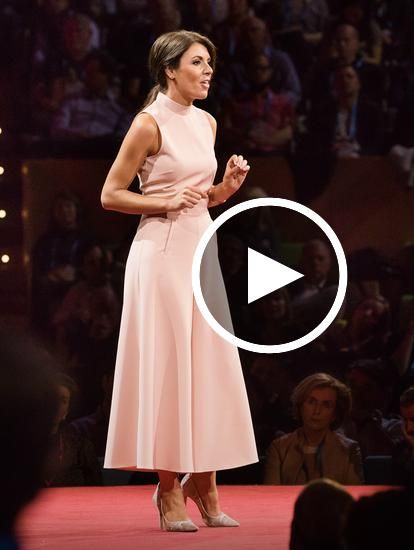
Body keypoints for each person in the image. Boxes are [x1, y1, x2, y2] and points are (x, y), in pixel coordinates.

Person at [99, 30, 256, 532]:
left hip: (199, 248)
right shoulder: (148, 123)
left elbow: (198, 196)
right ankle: (168, 488)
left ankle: (205, 484)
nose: (208, 71)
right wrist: (163, 200)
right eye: (197, 62)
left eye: (209, 62)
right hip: (161, 253)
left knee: (208, 366)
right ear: (170, 70)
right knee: (170, 367)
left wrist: (223, 190)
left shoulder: (206, 122)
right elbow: (111, 194)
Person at [264, 373, 364, 485]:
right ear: (300, 406)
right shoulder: (279, 448)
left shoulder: (349, 449)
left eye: (326, 405)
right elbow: (271, 493)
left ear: (335, 413)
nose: (317, 411)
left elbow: (354, 494)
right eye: (311, 402)